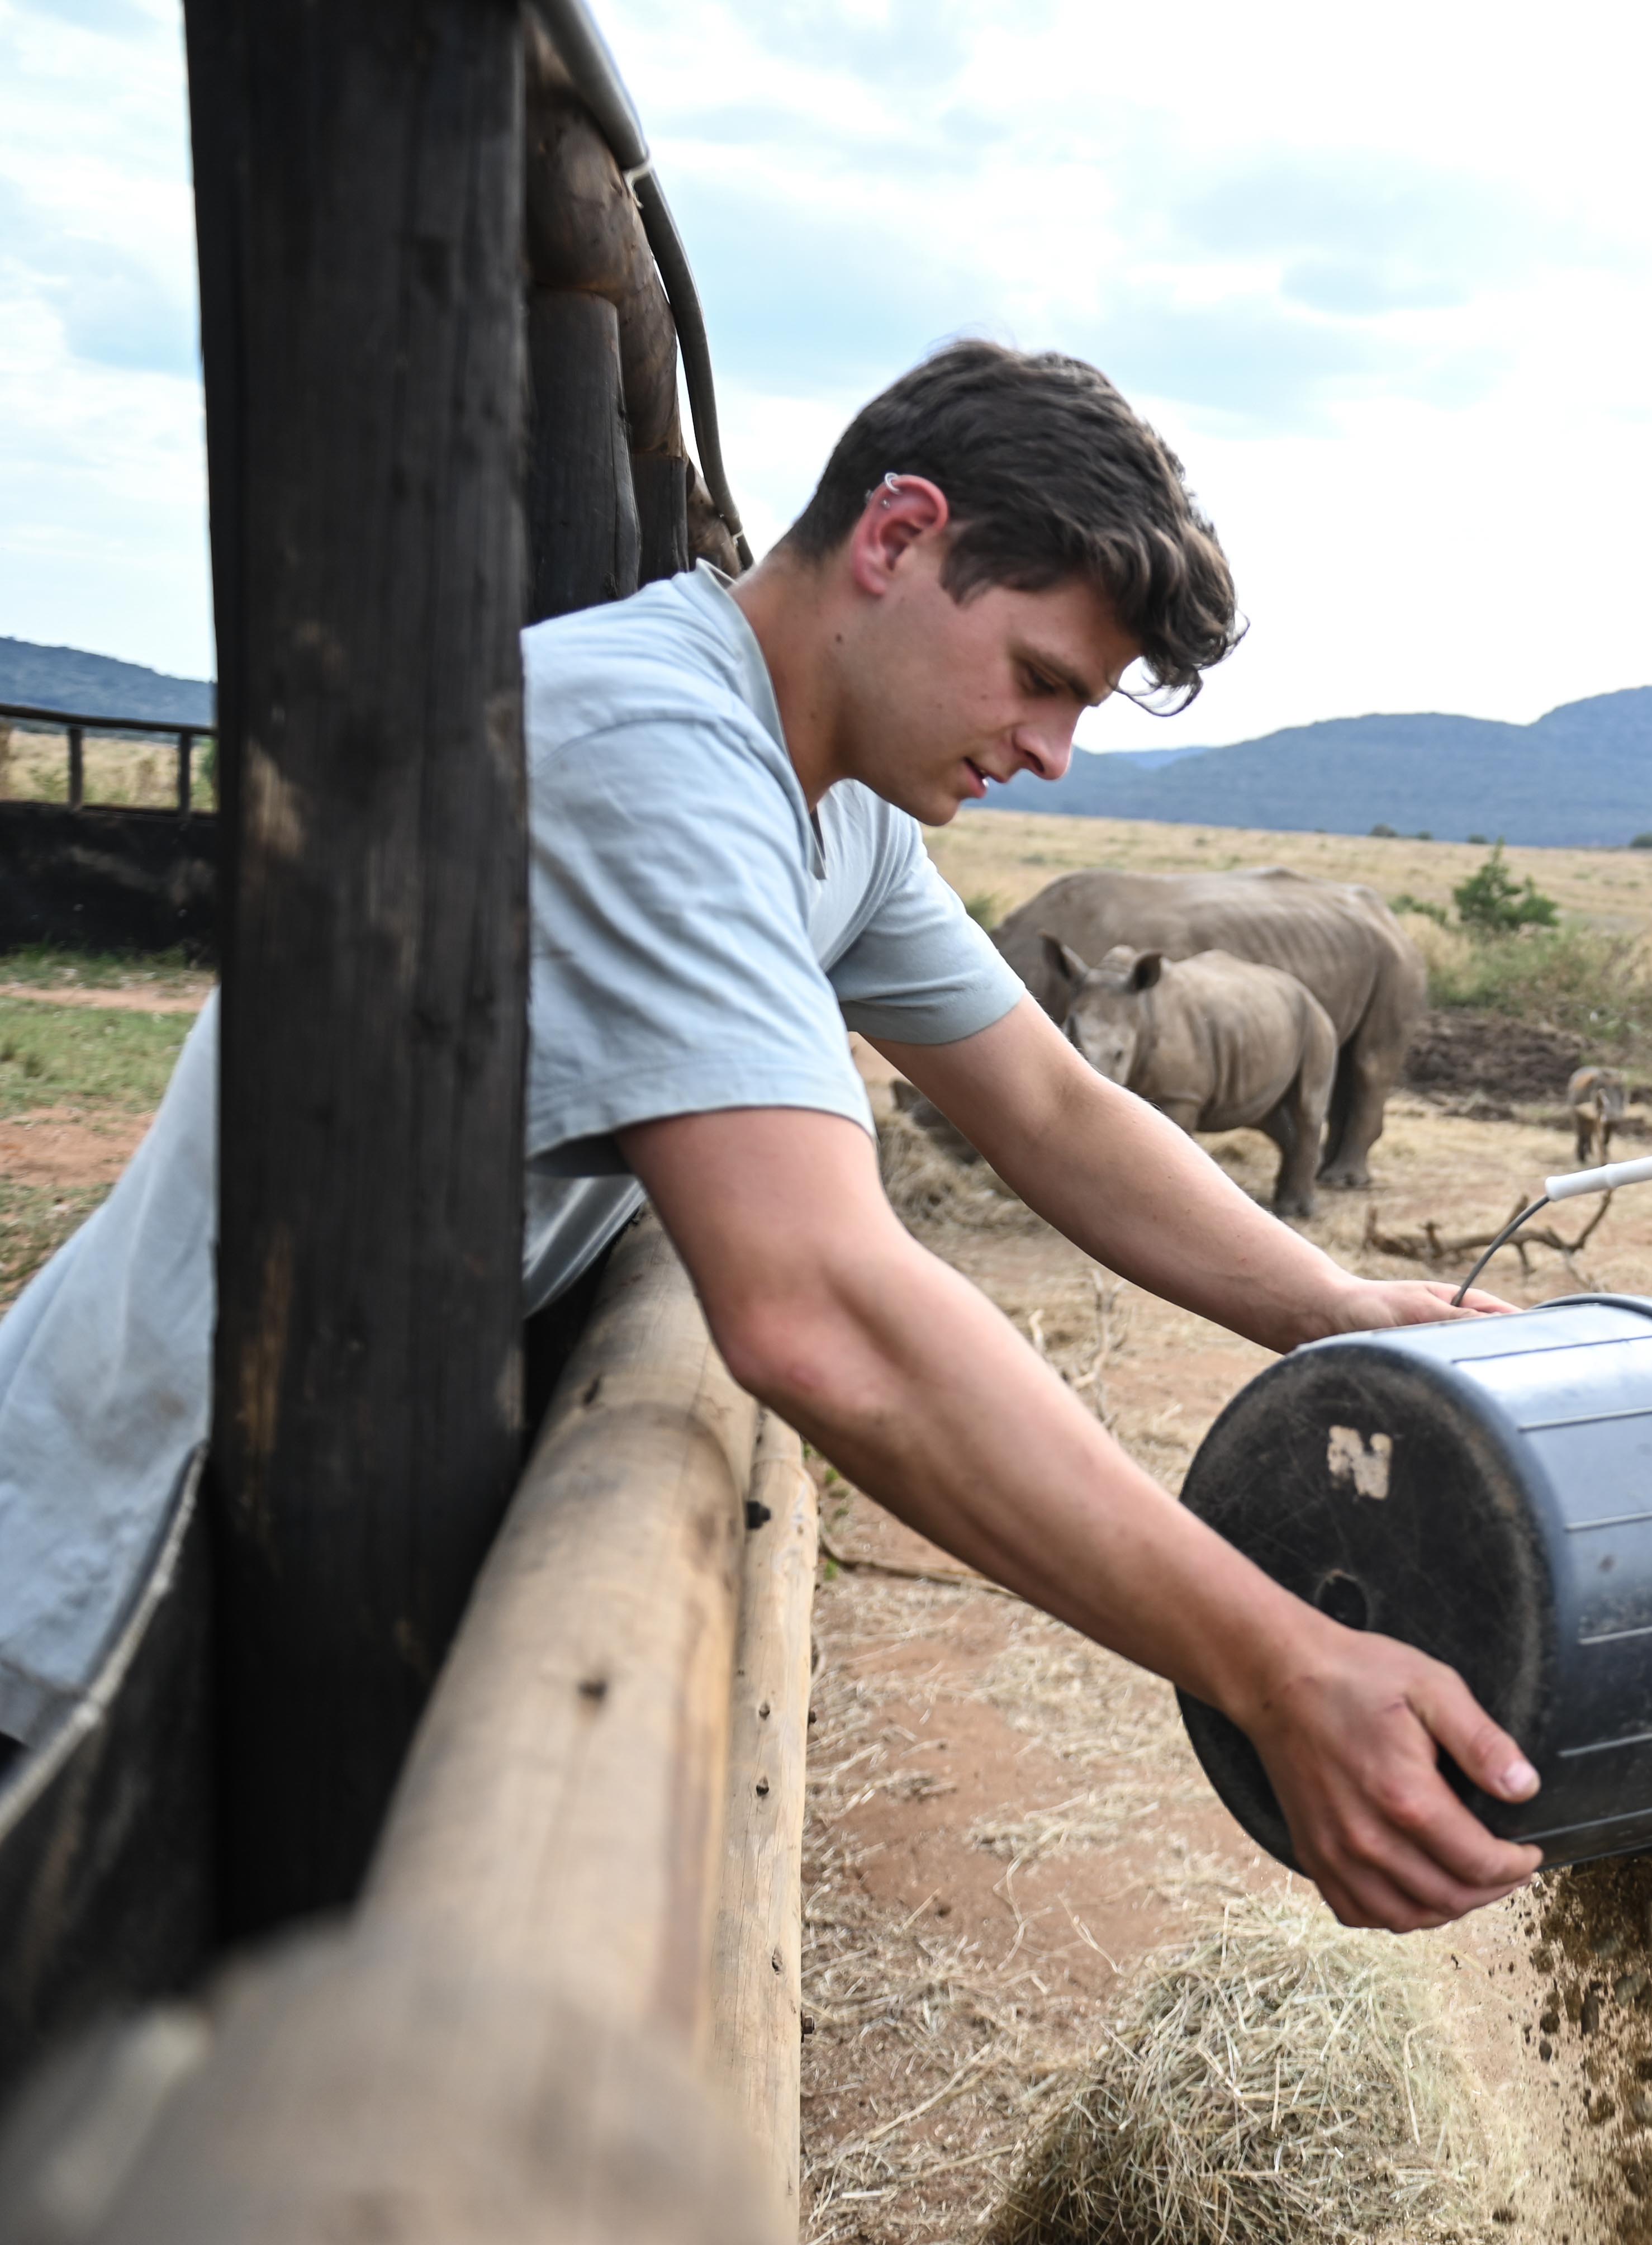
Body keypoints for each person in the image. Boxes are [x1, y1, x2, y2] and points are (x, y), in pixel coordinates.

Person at [0, 342, 1542, 1933]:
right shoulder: (648, 757)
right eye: (1039, 677)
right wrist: (1278, 1664)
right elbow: (819, 1311)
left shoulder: (835, 801)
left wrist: (1340, 1314)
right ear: (897, 542)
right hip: (101, 1603)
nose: (1051, 753)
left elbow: (1052, 1105)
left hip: (263, 1564)